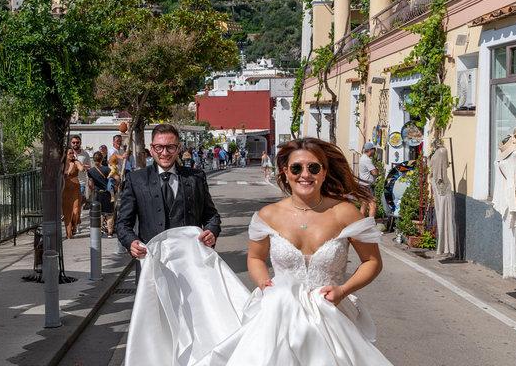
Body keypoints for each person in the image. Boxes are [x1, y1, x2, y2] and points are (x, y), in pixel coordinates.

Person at [124, 137, 390, 365]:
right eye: (296, 167)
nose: (304, 175)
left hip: (331, 313)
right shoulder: (268, 215)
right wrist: (265, 285)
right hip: (277, 312)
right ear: (285, 171)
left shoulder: (346, 213)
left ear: (324, 171)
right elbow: (255, 258)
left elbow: (371, 262)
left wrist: (343, 290)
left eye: (313, 167)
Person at [116, 123, 221, 260]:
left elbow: (212, 217)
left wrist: (211, 232)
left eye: (170, 147)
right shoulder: (136, 179)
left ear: (178, 148)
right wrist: (130, 242)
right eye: (159, 147)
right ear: (152, 148)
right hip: (151, 261)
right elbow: (123, 223)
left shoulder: (196, 178)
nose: (164, 153)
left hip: (191, 261)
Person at [88, 151, 115, 236]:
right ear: (102, 159)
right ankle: (110, 232)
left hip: (97, 193)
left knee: (100, 213)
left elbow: (91, 184)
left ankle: (101, 230)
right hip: (107, 194)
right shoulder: (107, 169)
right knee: (109, 214)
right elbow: (113, 179)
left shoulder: (91, 171)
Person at [62, 148, 82, 239]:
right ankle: (69, 233)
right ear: (65, 154)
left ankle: (75, 224)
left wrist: (84, 168)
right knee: (67, 212)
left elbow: (81, 168)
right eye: (70, 153)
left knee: (76, 211)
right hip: (65, 189)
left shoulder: (76, 162)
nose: (72, 155)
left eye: (72, 153)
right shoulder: (61, 164)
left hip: (75, 189)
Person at [70, 135, 92, 215]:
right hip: (70, 182)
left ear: (80, 143)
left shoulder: (85, 155)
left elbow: (89, 167)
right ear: (71, 143)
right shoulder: (68, 154)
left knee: (78, 202)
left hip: (81, 182)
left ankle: (76, 219)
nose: (75, 144)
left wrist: (86, 168)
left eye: (77, 142)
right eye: (73, 142)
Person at [358, 142, 379, 217]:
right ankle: (371, 223)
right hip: (368, 185)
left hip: (363, 183)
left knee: (364, 204)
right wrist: (376, 169)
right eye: (374, 149)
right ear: (370, 150)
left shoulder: (362, 158)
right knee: (373, 204)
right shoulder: (367, 160)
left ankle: (361, 223)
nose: (375, 151)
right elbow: (375, 173)